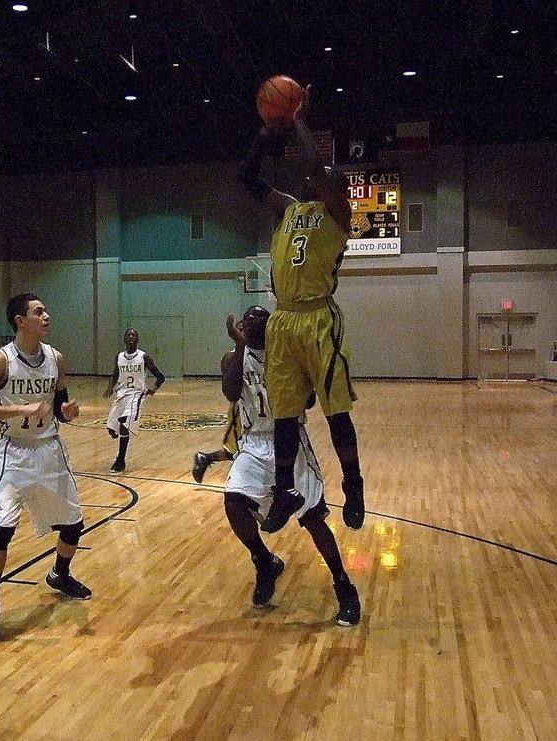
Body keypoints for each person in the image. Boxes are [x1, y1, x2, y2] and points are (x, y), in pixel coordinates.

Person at [238, 85, 365, 533]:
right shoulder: (288, 210)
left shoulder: (338, 214)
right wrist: (265, 132)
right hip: (285, 319)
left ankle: (353, 484)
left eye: (326, 177)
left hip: (318, 318)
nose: (315, 177)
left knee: (335, 411)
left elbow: (313, 164)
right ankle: (285, 489)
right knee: (285, 412)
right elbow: (247, 178)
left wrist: (297, 120)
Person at [219, 306, 360, 623]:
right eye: (249, 318)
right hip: (254, 441)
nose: (254, 322)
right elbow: (230, 392)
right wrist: (241, 345)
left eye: (261, 319)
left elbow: (309, 400)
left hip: (288, 440)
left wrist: (298, 380)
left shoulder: (289, 355)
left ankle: (343, 586)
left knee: (312, 518)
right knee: (234, 503)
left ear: (272, 327)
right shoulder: (233, 358)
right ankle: (263, 560)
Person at [0, 292, 88, 644]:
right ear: (20, 321)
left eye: (46, 309)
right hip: (14, 452)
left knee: (74, 524)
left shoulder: (56, 359)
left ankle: (60, 574)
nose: (47, 316)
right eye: (39, 312)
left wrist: (67, 411)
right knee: (2, 529)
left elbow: (61, 403)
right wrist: (19, 410)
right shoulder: (0, 362)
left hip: (49, 449)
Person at [103, 328, 165, 473]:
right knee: (111, 429)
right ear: (124, 339)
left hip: (137, 394)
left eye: (134, 335)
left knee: (125, 424)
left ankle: (120, 460)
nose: (131, 337)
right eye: (128, 335)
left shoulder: (144, 357)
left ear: (137, 339)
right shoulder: (119, 357)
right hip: (121, 394)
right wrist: (110, 387)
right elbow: (115, 374)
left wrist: (154, 388)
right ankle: (117, 432)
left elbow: (160, 377)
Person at [192, 319, 245, 483]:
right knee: (242, 449)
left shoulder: (263, 353)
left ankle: (205, 458)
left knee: (241, 449)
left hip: (262, 409)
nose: (244, 333)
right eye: (241, 330)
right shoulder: (231, 357)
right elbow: (230, 391)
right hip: (241, 408)